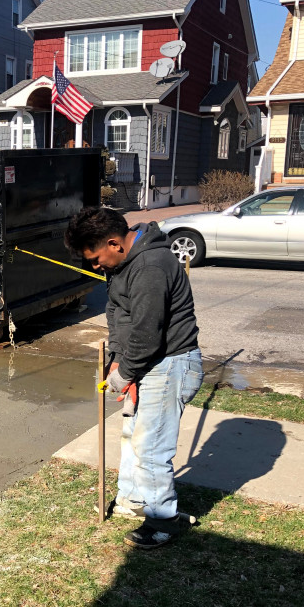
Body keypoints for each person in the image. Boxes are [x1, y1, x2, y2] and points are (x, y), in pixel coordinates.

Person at [65, 206, 203, 549]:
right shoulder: (127, 263)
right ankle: (132, 500)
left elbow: (146, 333)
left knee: (151, 446)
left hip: (169, 364)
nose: (96, 266)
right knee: (134, 434)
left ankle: (162, 519)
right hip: (148, 362)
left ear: (115, 243)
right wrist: (116, 362)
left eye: (97, 258)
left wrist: (125, 373)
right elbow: (121, 317)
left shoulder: (150, 267)